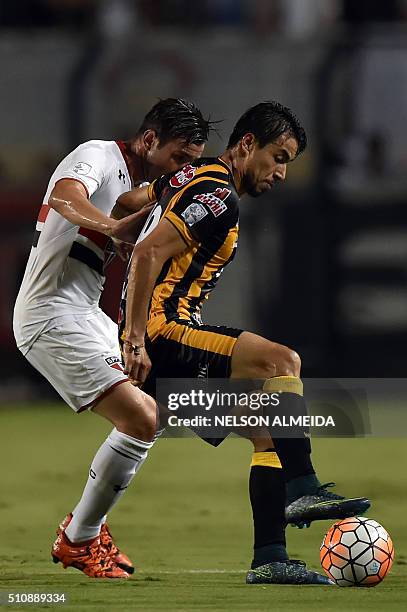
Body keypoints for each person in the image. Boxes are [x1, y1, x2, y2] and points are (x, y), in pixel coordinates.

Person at [119, 101, 371, 585]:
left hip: (158, 346)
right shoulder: (218, 196)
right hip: (164, 336)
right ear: (247, 144)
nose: (280, 173)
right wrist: (134, 338)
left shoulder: (193, 176)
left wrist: (112, 238)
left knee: (268, 432)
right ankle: (305, 485)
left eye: (287, 164)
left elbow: (131, 201)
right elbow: (151, 250)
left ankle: (270, 558)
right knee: (282, 361)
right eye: (278, 157)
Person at [13, 98, 211, 579]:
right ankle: (79, 538)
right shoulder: (98, 155)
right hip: (49, 314)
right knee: (142, 417)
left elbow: (140, 201)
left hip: (87, 315)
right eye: (179, 157)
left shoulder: (137, 185)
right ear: (148, 141)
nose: (183, 166)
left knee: (156, 410)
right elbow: (64, 196)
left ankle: (86, 530)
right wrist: (112, 228)